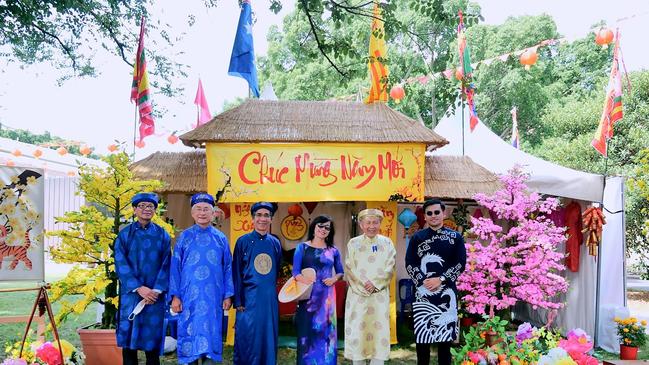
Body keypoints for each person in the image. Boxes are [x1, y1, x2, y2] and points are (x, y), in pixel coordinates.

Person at [169, 193, 234, 364]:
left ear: (213, 213)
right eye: (198, 209)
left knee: (211, 337)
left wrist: (228, 294)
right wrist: (175, 296)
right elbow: (175, 268)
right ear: (192, 213)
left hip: (214, 297)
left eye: (206, 209)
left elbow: (228, 267)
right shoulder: (184, 237)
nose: (202, 213)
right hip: (189, 296)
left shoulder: (221, 238)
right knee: (190, 334)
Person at [405, 199, 466, 365]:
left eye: (437, 212)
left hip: (446, 294)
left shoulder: (456, 238)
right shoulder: (417, 238)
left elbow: (460, 263)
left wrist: (441, 279)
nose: (433, 216)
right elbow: (410, 263)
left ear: (443, 214)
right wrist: (423, 282)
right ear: (424, 216)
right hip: (423, 294)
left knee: (445, 343)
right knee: (422, 340)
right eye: (429, 213)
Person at [114, 192, 171, 365]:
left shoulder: (162, 235)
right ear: (134, 209)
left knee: (151, 346)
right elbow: (120, 263)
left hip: (154, 297)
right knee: (129, 345)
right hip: (132, 296)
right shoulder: (124, 235)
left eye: (150, 206)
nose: (146, 210)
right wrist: (139, 288)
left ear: (155, 210)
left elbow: (167, 263)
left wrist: (156, 290)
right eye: (142, 206)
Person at [344, 209, 397, 365]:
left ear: (380, 223)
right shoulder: (353, 243)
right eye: (368, 222)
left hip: (378, 296)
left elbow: (390, 266)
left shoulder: (387, 243)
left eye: (375, 222)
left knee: (378, 331)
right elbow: (349, 267)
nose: (371, 226)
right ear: (361, 224)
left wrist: (374, 284)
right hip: (357, 295)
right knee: (357, 330)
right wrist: (362, 286)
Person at [232, 202, 282, 365]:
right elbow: (236, 272)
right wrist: (238, 300)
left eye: (266, 215)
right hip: (248, 299)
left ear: (271, 219)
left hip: (268, 300)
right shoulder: (243, 241)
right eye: (259, 215)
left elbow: (277, 270)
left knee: (268, 336)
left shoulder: (275, 243)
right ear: (252, 219)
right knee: (247, 337)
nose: (262, 219)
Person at [292, 215, 344, 365]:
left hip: (327, 299)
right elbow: (295, 273)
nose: (323, 229)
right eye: (320, 226)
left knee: (327, 334)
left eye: (327, 227)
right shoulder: (302, 248)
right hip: (308, 298)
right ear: (314, 227)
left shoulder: (333, 250)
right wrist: (305, 280)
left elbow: (340, 272)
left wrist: (334, 279)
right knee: (306, 334)